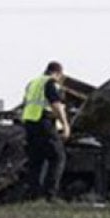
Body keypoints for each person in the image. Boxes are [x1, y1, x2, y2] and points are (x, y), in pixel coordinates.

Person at [21, 61, 71, 200]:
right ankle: (51, 195)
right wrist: (65, 125)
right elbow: (56, 106)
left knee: (36, 160)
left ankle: (33, 195)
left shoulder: (32, 83)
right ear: (58, 73)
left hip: (29, 124)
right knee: (58, 157)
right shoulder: (50, 83)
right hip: (43, 123)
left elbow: (25, 103)